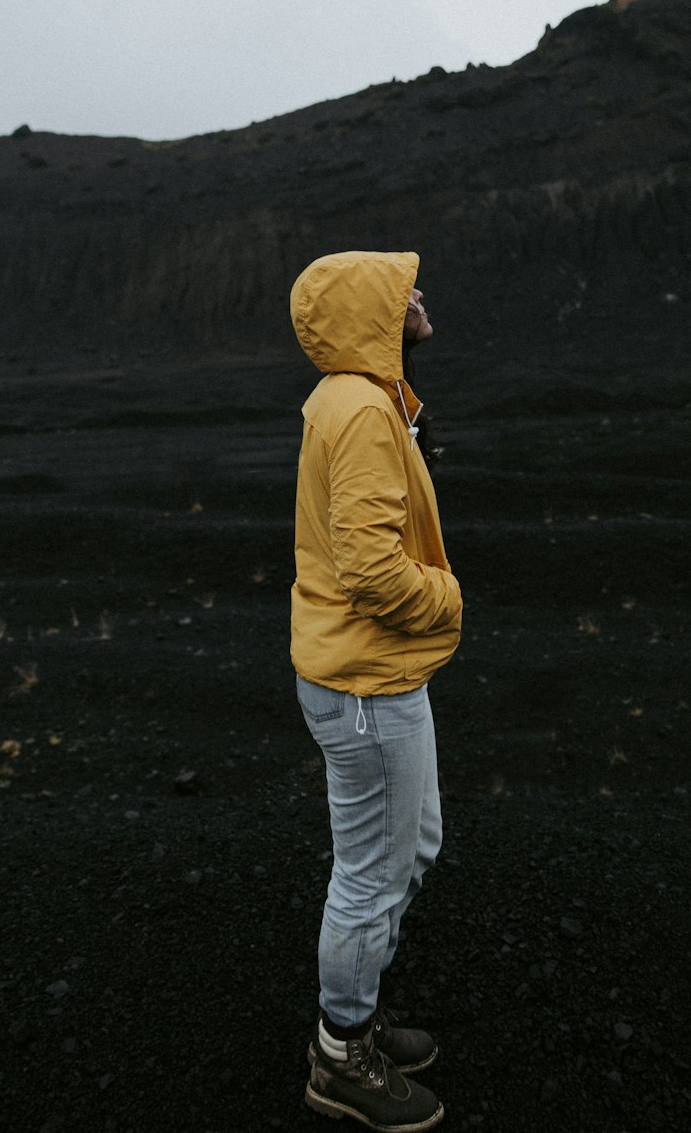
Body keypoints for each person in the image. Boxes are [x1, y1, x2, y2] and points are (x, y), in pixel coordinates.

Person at [289, 249, 462, 1131]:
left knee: (413, 845)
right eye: (403, 290)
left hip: (375, 672)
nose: (419, 296)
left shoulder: (359, 397)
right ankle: (341, 1055)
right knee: (370, 877)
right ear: (373, 315)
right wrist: (449, 596)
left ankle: (353, 1013)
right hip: (367, 678)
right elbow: (368, 568)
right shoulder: (360, 410)